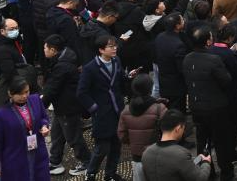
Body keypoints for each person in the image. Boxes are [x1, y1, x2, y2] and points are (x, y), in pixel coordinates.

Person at [183, 25, 236, 181]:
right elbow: (226, 80)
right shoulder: (214, 60)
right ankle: (227, 174)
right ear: (207, 42)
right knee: (221, 142)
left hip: (196, 106)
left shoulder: (187, 58)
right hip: (216, 107)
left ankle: (207, 173)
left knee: (202, 141)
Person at [76, 35, 125, 181]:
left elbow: (120, 80)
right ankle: (91, 173)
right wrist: (94, 108)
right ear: (101, 50)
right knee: (102, 147)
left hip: (117, 109)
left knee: (116, 145)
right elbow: (81, 92)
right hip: (101, 112)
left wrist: (128, 77)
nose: (114, 48)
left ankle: (110, 174)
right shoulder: (90, 68)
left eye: (115, 45)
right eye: (110, 46)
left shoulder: (117, 61)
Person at [41, 35, 91, 178]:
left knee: (73, 137)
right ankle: (55, 161)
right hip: (61, 106)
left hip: (68, 107)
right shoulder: (63, 59)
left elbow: (52, 88)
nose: (44, 50)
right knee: (57, 135)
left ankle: (87, 162)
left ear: (53, 50)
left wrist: (40, 106)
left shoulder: (62, 66)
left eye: (45, 48)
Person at [0, 76, 51, 181]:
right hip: (15, 160)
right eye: (20, 94)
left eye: (26, 92)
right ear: (10, 93)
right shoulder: (0, 114)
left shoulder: (35, 100)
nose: (24, 96)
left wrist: (44, 126)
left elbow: (43, 117)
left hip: (38, 155)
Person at [117, 74, 168, 181]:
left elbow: (122, 135)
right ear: (150, 88)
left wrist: (133, 142)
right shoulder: (159, 108)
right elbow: (169, 132)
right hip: (157, 155)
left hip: (137, 157)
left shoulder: (126, 111)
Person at [139, 108, 212, 181]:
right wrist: (206, 162)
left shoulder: (146, 153)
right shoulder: (181, 154)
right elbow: (200, 178)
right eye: (183, 128)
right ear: (178, 128)